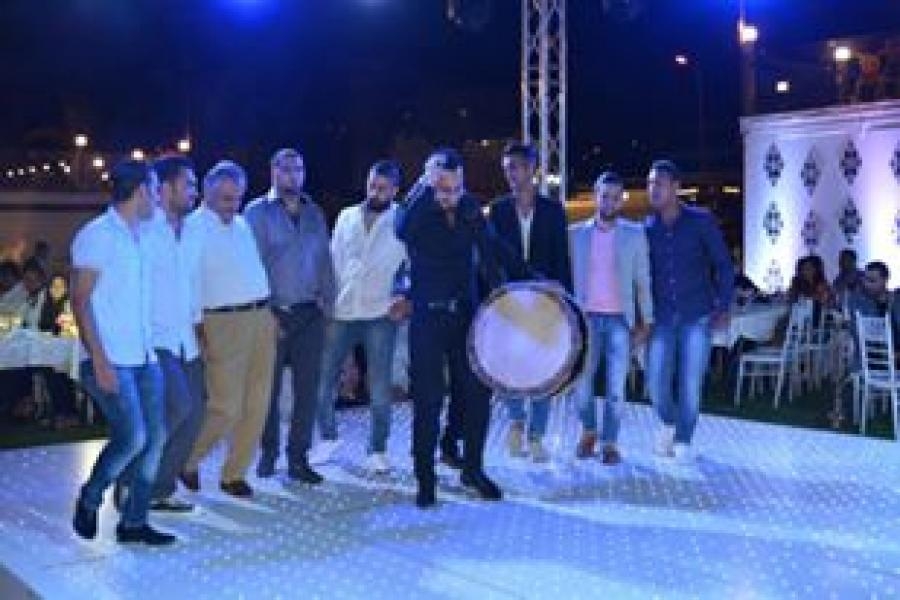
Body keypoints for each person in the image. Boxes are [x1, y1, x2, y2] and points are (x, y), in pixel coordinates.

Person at [395, 147, 528, 508]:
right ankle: (426, 479)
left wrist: (527, 279)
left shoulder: (468, 207)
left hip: (466, 317)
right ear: (429, 183)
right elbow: (402, 231)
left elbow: (492, 249)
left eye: (456, 189)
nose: (450, 197)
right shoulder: (416, 209)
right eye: (443, 189)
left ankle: (473, 469)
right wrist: (427, 191)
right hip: (427, 320)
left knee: (477, 396)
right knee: (428, 402)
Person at [70, 159, 174, 546]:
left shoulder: (143, 234)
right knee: (133, 438)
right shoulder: (98, 235)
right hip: (110, 358)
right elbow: (80, 302)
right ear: (141, 190)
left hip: (145, 357)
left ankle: (134, 522)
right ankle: (90, 497)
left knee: (155, 439)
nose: (159, 198)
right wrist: (99, 361)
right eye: (155, 189)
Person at [181, 161, 276, 498]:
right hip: (220, 321)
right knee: (226, 406)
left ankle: (234, 473)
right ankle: (186, 460)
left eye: (237, 198)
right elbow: (188, 281)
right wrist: (197, 326)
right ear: (206, 193)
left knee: (257, 403)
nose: (232, 205)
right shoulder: (192, 229)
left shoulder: (242, 224)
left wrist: (269, 315)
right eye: (225, 198)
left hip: (260, 316)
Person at [311, 160, 409, 474]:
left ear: (395, 189)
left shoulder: (403, 219)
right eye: (371, 185)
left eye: (382, 188)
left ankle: (377, 449)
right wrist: (325, 299)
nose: (375, 192)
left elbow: (412, 265)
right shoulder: (346, 216)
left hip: (380, 311)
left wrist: (405, 296)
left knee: (379, 385)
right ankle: (328, 437)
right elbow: (333, 259)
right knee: (323, 378)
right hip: (342, 309)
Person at [244, 149, 335, 484]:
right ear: (273, 172)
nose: (292, 175)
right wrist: (263, 312)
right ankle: (268, 452)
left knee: (307, 391)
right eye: (285, 169)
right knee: (265, 391)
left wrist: (330, 309)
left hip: (310, 314)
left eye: (298, 169)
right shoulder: (256, 212)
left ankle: (299, 458)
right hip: (273, 313)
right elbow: (250, 266)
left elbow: (325, 262)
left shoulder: (315, 213)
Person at [644, 160, 734, 461]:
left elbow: (723, 264)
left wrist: (723, 306)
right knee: (655, 382)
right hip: (661, 317)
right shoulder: (647, 227)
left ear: (675, 187)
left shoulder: (700, 221)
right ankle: (670, 423)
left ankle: (684, 439)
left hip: (697, 314)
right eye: (650, 183)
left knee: (690, 382)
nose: (652, 189)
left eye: (658, 183)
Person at [488, 142, 572, 462]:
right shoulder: (498, 210)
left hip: (545, 301)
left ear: (531, 170)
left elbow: (561, 260)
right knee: (508, 366)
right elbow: (491, 260)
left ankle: (536, 434)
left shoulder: (553, 211)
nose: (510, 174)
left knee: (543, 369)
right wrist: (495, 296)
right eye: (506, 168)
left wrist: (563, 300)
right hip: (509, 301)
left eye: (515, 167)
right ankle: (516, 421)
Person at [135, 154, 205, 512]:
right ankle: (132, 481)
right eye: (188, 184)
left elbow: (191, 287)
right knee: (177, 407)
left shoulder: (192, 231)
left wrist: (200, 329)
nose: (195, 191)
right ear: (163, 188)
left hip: (186, 341)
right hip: (154, 340)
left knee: (194, 416)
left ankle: (159, 489)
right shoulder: (145, 231)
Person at [569, 171, 653, 464]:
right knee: (581, 384)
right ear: (596, 196)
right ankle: (589, 431)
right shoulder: (575, 235)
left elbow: (643, 279)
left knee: (616, 388)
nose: (609, 202)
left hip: (620, 321)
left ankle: (610, 443)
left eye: (615, 197)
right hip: (586, 320)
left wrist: (647, 321)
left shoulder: (635, 234)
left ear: (621, 201)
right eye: (605, 196)